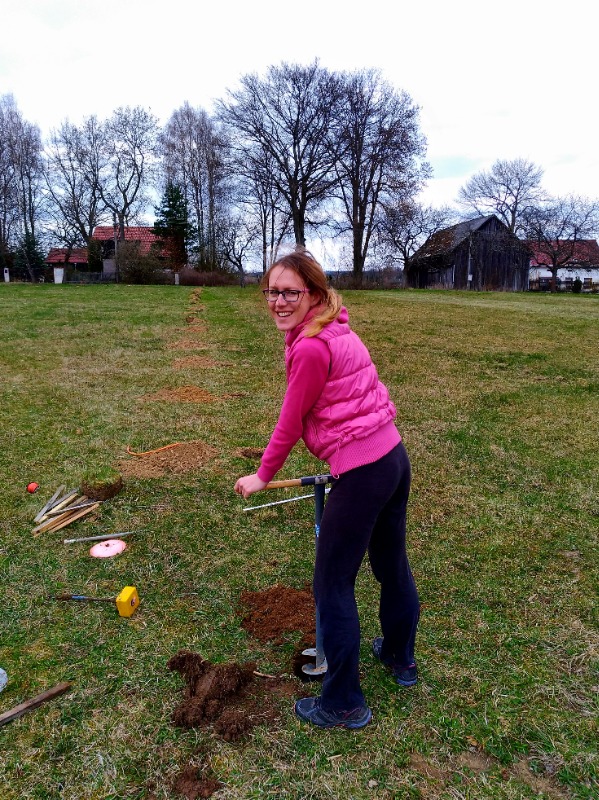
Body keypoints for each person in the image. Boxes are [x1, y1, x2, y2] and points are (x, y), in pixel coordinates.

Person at [234, 248, 419, 729]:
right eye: (271, 292)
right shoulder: (337, 328)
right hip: (393, 458)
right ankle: (401, 658)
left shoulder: (313, 346)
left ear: (312, 293)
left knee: (332, 584)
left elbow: (290, 421)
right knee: (390, 565)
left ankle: (342, 703)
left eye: (289, 292)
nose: (277, 301)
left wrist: (263, 475)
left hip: (364, 472)